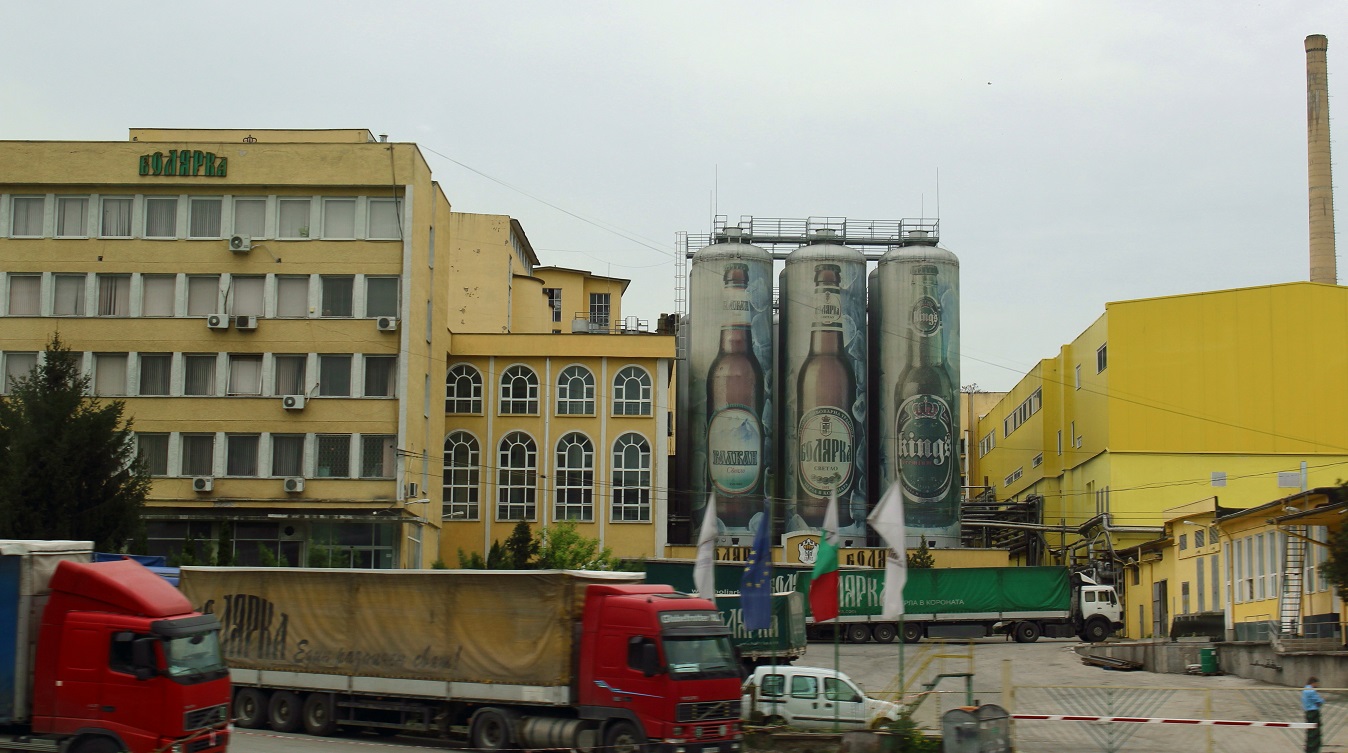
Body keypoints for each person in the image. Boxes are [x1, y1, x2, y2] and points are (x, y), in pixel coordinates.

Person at [1303, 676, 1324, 753]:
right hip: (1313, 711)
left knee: (1310, 730)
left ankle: (1309, 748)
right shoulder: (1311, 691)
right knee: (1315, 731)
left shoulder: (1305, 689)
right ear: (1313, 683)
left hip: (1307, 710)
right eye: (1316, 683)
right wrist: (1321, 701)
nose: (1317, 685)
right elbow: (1319, 700)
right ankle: (1313, 749)